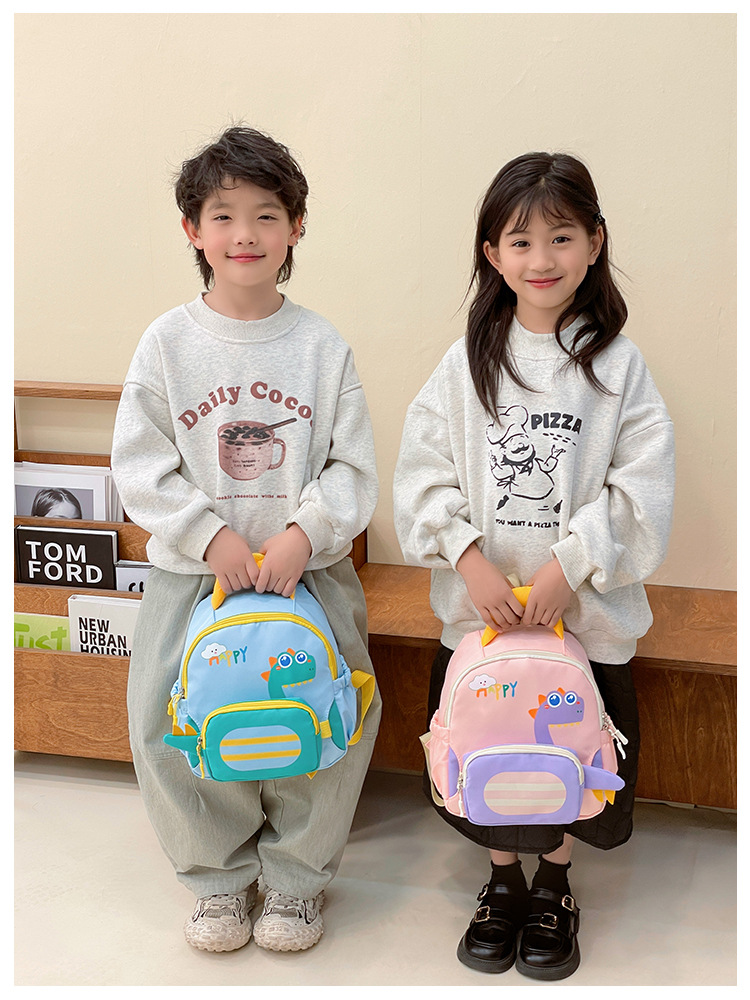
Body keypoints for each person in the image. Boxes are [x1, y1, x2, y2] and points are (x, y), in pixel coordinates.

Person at [393, 152, 674, 980]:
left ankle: (555, 882)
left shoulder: (618, 367)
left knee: (573, 756)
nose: (541, 258)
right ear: (492, 253)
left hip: (585, 625)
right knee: (488, 750)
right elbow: (422, 475)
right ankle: (502, 881)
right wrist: (469, 560)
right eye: (520, 241)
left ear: (595, 243)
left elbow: (642, 488)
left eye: (561, 237)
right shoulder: (464, 364)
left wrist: (567, 568)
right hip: (482, 626)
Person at [111, 126, 381, 955]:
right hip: (192, 580)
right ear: (192, 230)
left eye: (266, 215)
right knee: (172, 725)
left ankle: (297, 882)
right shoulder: (166, 343)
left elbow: (352, 467)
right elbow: (140, 464)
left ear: (295, 228)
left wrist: (304, 533)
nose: (245, 234)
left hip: (311, 577)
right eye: (223, 215)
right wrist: (208, 536)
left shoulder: (322, 346)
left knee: (329, 722)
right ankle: (218, 883)